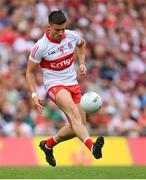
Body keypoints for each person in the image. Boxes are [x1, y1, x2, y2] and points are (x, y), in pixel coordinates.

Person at [26, 10, 104, 167]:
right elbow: (29, 72)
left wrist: (81, 62)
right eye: (57, 30)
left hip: (72, 83)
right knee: (74, 114)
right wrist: (34, 94)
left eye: (63, 29)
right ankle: (92, 146)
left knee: (79, 125)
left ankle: (47, 145)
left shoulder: (71, 35)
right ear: (49, 27)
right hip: (55, 85)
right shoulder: (40, 47)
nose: (61, 33)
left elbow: (82, 44)